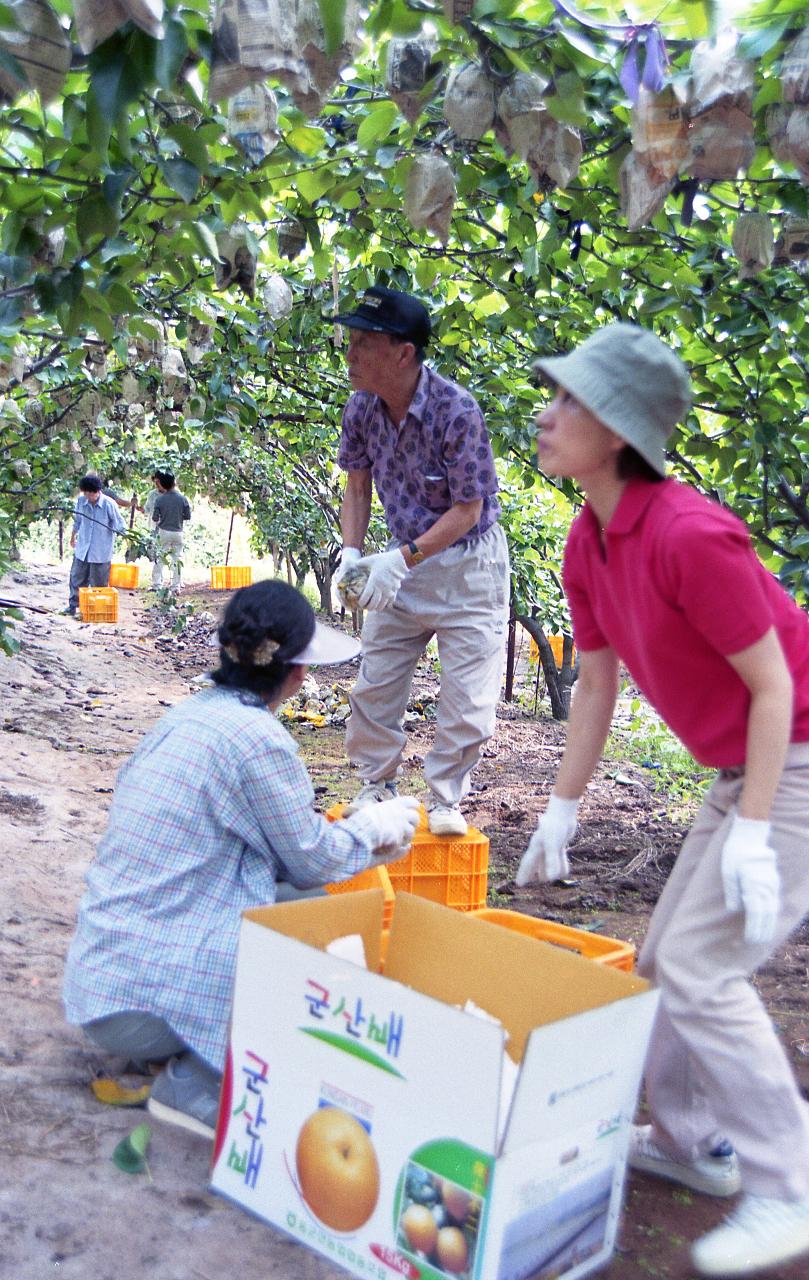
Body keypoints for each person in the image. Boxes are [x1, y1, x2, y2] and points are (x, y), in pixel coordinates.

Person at [516, 322, 809, 1278]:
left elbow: (772, 689)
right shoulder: (588, 536)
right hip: (749, 764)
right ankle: (696, 1148)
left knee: (704, 968)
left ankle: (789, 1181)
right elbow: (593, 685)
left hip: (797, 754)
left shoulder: (689, 535)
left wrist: (755, 834)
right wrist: (560, 809)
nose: (545, 413)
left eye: (568, 402)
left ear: (618, 430)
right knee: (659, 963)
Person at [63, 580, 420, 1139]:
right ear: (297, 672)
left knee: (295, 902)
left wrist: (358, 834)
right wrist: (369, 828)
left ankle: (170, 1047)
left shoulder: (191, 715)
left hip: (103, 985)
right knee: (305, 922)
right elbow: (311, 861)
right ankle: (197, 1082)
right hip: (138, 1008)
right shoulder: (258, 740)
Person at [331, 285, 510, 837]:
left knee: (468, 697)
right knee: (376, 682)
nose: (350, 352)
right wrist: (354, 553)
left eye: (364, 341)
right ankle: (375, 783)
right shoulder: (362, 408)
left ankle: (446, 797)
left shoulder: (456, 411)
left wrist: (400, 560)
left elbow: (468, 507)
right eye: (351, 339)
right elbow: (357, 486)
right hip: (400, 564)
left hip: (466, 565)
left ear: (403, 353)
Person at [63, 474, 126, 616]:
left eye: (91, 494)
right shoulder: (80, 501)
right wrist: (73, 537)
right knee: (76, 578)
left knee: (99, 584)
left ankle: (97, 610)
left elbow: (120, 525)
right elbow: (78, 521)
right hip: (83, 549)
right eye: (86, 493)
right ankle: (73, 607)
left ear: (98, 491)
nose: (89, 497)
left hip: (101, 551)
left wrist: (124, 535)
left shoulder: (109, 504)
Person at [150, 470, 191, 591]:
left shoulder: (160, 500)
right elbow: (187, 516)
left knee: (160, 558)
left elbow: (155, 517)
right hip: (178, 532)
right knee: (177, 560)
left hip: (163, 532)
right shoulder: (183, 499)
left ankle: (157, 584)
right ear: (174, 482)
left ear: (162, 484)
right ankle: (175, 586)